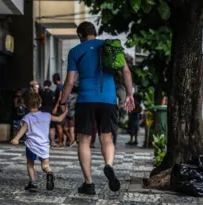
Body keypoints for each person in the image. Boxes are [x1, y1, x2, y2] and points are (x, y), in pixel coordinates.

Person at [59, 21, 135, 194]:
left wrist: (63, 101)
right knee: (107, 138)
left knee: (84, 140)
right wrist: (130, 95)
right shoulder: (110, 47)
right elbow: (126, 72)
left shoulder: (75, 51)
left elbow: (70, 81)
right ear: (94, 32)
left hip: (86, 100)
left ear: (80, 35)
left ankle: (89, 183)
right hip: (108, 99)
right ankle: (108, 164)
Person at [11, 92, 68, 192]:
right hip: (44, 145)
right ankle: (49, 173)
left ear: (25, 105)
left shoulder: (27, 118)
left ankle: (32, 183)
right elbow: (59, 119)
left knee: (30, 164)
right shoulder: (47, 115)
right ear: (40, 104)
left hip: (31, 145)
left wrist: (16, 138)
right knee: (45, 165)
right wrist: (66, 111)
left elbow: (23, 130)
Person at [39, 80, 57, 147]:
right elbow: (54, 101)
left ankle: (42, 141)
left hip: (42, 110)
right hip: (50, 110)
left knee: (42, 126)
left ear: (44, 84)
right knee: (51, 127)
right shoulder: (52, 93)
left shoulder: (40, 92)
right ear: (50, 85)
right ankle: (52, 141)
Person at [52, 73, 65, 147]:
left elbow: (60, 97)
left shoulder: (59, 86)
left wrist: (56, 107)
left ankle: (60, 141)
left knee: (59, 125)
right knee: (61, 125)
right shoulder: (60, 86)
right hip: (61, 107)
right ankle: (64, 140)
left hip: (59, 107)